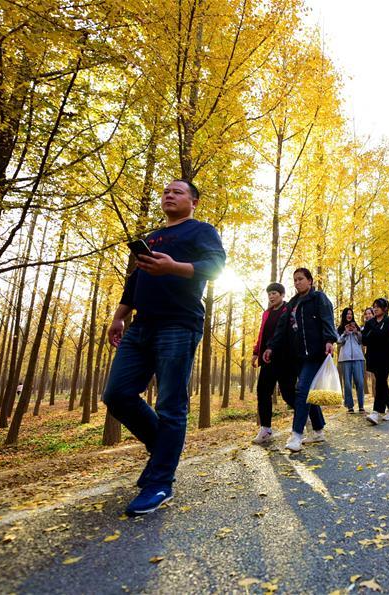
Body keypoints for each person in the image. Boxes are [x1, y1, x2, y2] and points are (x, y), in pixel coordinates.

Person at [103, 178, 226, 516]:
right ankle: (163, 449)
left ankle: (160, 482)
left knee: (171, 404)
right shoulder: (152, 236)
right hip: (140, 326)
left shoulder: (201, 231)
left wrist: (173, 267)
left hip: (179, 323)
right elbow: (135, 280)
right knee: (116, 394)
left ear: (193, 202)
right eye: (166, 192)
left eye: (178, 192)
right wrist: (119, 317)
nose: (169, 195)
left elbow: (216, 266)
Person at [263, 268, 338, 453]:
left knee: (302, 389)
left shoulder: (319, 298)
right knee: (308, 393)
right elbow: (281, 328)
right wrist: (270, 347)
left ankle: (296, 435)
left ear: (310, 281)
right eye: (295, 280)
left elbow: (328, 319)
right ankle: (318, 430)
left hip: (316, 353)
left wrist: (330, 340)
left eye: (301, 279)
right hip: (298, 357)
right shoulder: (292, 304)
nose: (297, 283)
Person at [250, 283, 296, 445]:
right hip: (267, 359)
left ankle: (306, 417)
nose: (271, 296)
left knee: (288, 394)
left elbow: (286, 334)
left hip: (285, 359)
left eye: (275, 293)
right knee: (262, 392)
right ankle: (266, 429)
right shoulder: (267, 313)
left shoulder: (288, 310)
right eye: (269, 293)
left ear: (282, 294)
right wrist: (256, 352)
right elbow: (262, 333)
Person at [362, 298, 389, 425]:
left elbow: (387, 338)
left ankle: (376, 412)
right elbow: (364, 340)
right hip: (373, 357)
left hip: (386, 357)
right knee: (381, 383)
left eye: (378, 306)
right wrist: (370, 334)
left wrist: (372, 334)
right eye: (374, 306)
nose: (375, 308)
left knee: (380, 383)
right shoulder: (369, 322)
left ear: (385, 308)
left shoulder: (388, 321)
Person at [337, 307, 366, 413]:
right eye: (347, 314)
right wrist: (345, 333)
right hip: (345, 359)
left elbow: (361, 341)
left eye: (351, 314)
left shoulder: (357, 327)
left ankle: (361, 405)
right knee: (348, 384)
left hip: (358, 358)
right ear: (344, 316)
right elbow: (338, 341)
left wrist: (356, 332)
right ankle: (350, 406)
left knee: (360, 382)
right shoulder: (339, 328)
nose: (349, 315)